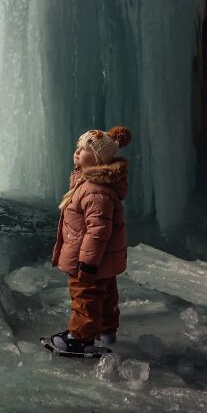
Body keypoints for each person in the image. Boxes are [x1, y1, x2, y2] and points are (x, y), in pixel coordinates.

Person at [48, 126, 131, 356]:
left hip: (89, 262)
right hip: (103, 262)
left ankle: (81, 338)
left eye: (83, 149)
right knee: (105, 296)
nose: (76, 152)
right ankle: (107, 333)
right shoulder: (90, 186)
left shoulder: (95, 191)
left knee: (85, 297)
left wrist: (87, 262)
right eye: (77, 147)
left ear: (96, 159)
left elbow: (99, 230)